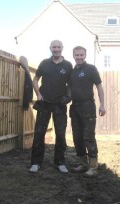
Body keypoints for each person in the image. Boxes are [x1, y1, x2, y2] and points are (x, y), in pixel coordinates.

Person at [29, 40, 73, 173]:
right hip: (45, 103)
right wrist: (38, 94)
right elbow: (35, 80)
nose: (56, 49)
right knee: (39, 133)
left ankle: (60, 162)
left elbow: (70, 84)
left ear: (62, 48)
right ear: (50, 48)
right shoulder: (44, 63)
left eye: (59, 47)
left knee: (60, 134)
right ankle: (36, 163)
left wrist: (68, 97)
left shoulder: (68, 65)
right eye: (54, 47)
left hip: (60, 104)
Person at [68, 46, 106, 177]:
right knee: (77, 137)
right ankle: (82, 163)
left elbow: (99, 86)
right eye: (76, 55)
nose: (79, 57)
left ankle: (93, 166)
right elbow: (69, 89)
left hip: (88, 106)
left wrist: (102, 105)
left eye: (81, 55)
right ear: (73, 56)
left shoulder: (91, 69)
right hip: (75, 107)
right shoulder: (72, 72)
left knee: (88, 137)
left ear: (85, 55)